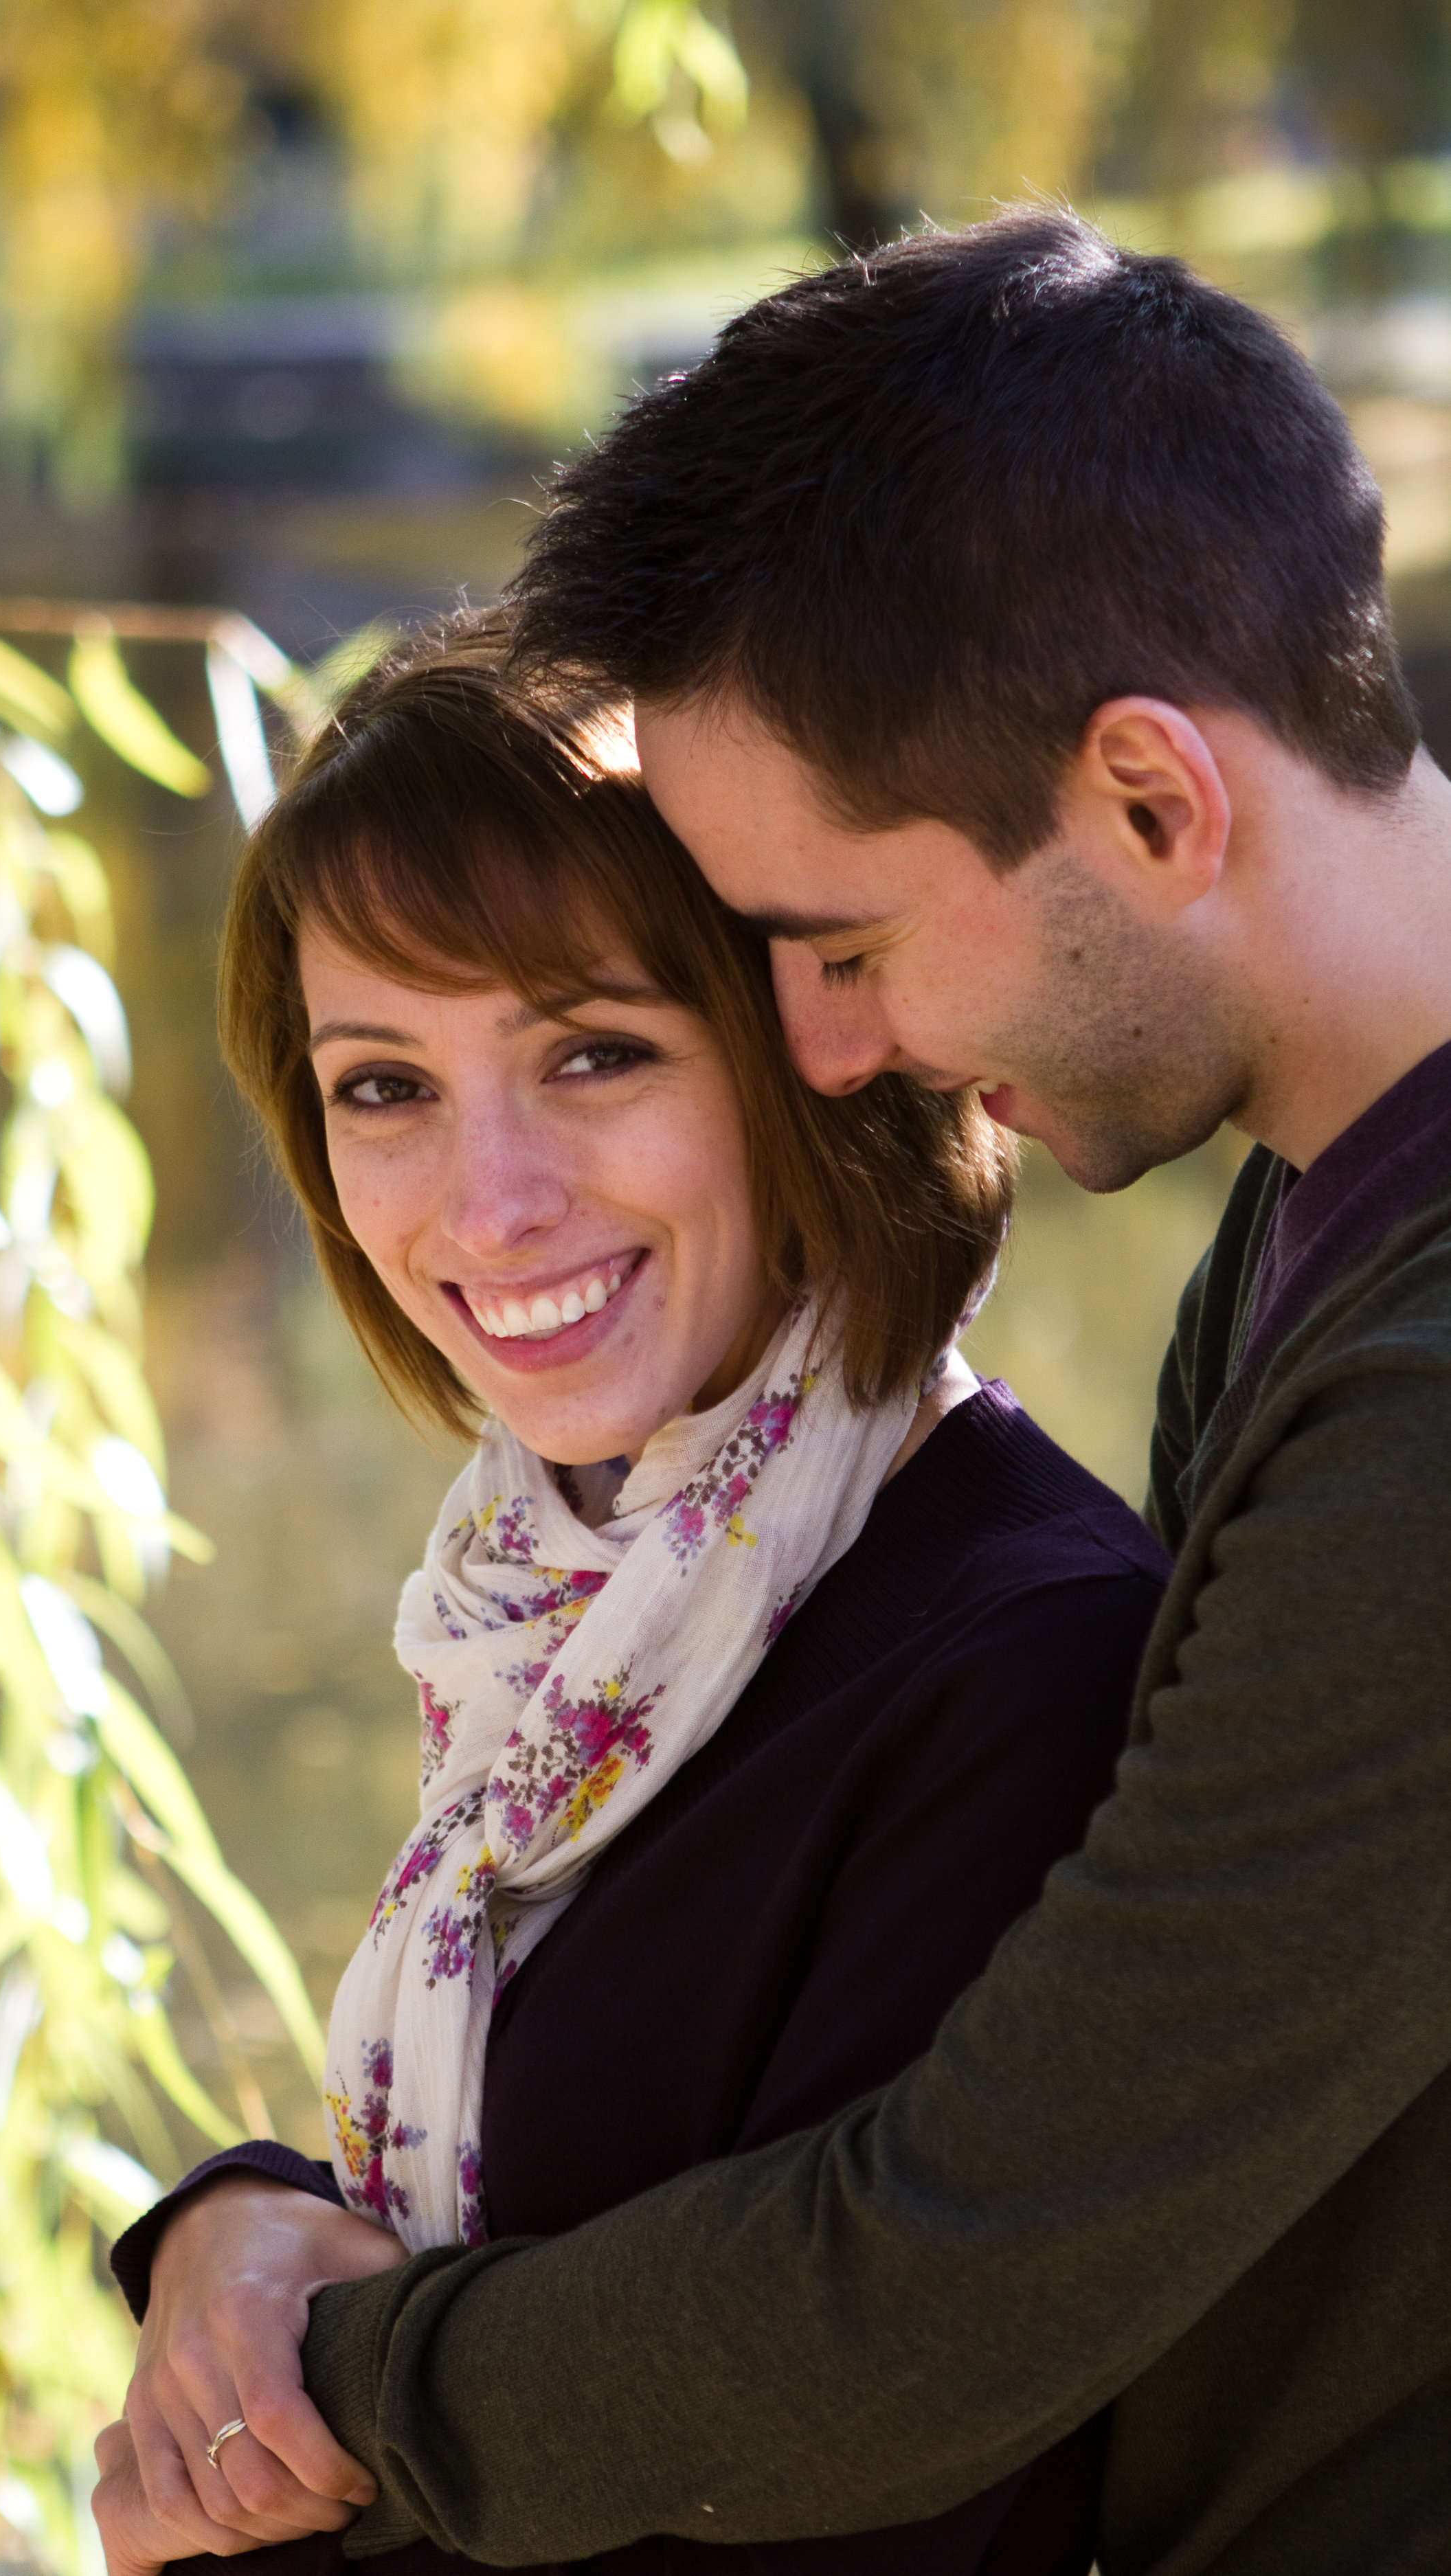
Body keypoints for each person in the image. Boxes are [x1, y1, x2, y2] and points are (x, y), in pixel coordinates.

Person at [94, 210, 1451, 2576]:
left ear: (1148, 802)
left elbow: (952, 2274)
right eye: (381, 1086)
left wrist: (312, 2393)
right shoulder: (1308, 1219)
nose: (829, 1047)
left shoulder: (1384, 1410)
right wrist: (240, 2228)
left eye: (835, 943)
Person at [90, 613, 1173, 2576]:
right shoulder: (562, 1600)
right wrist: (227, 2234)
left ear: (818, 1060)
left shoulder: (1024, 1662)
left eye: (593, 1054)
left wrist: (275, 2471)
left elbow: (876, 2485)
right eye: (383, 1085)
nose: (482, 1204)